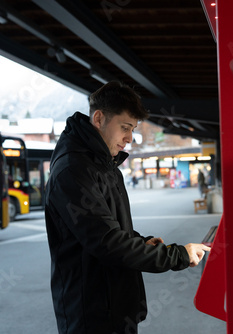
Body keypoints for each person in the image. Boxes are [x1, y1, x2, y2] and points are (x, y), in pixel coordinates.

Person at [44, 81, 211, 334]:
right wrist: (179, 255)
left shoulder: (104, 165)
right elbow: (107, 242)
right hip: (91, 314)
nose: (129, 138)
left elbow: (112, 228)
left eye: (132, 129)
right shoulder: (73, 170)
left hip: (114, 307)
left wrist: (142, 242)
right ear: (99, 118)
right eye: (124, 127)